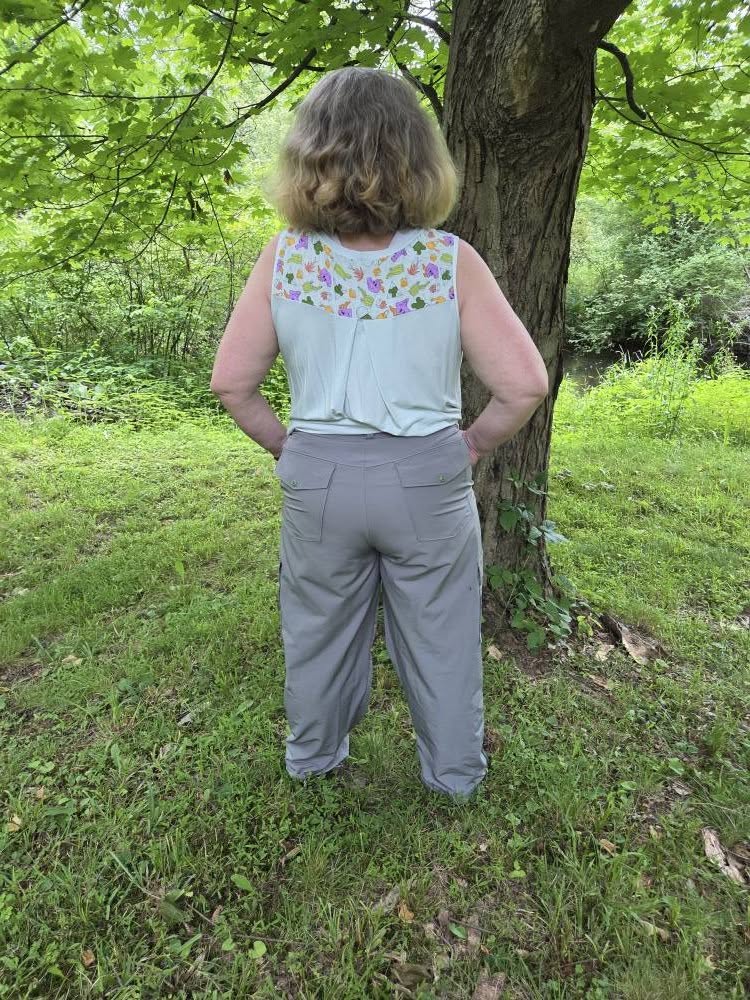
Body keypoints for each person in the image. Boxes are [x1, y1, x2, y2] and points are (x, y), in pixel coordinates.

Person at [210, 66, 549, 798]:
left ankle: (313, 760)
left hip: (319, 480)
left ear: (310, 157)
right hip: (427, 479)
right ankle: (455, 778)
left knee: (318, 630)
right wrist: (472, 444)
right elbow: (524, 385)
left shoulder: (285, 258)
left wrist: (288, 447)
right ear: (416, 158)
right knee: (442, 637)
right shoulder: (447, 260)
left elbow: (232, 383)